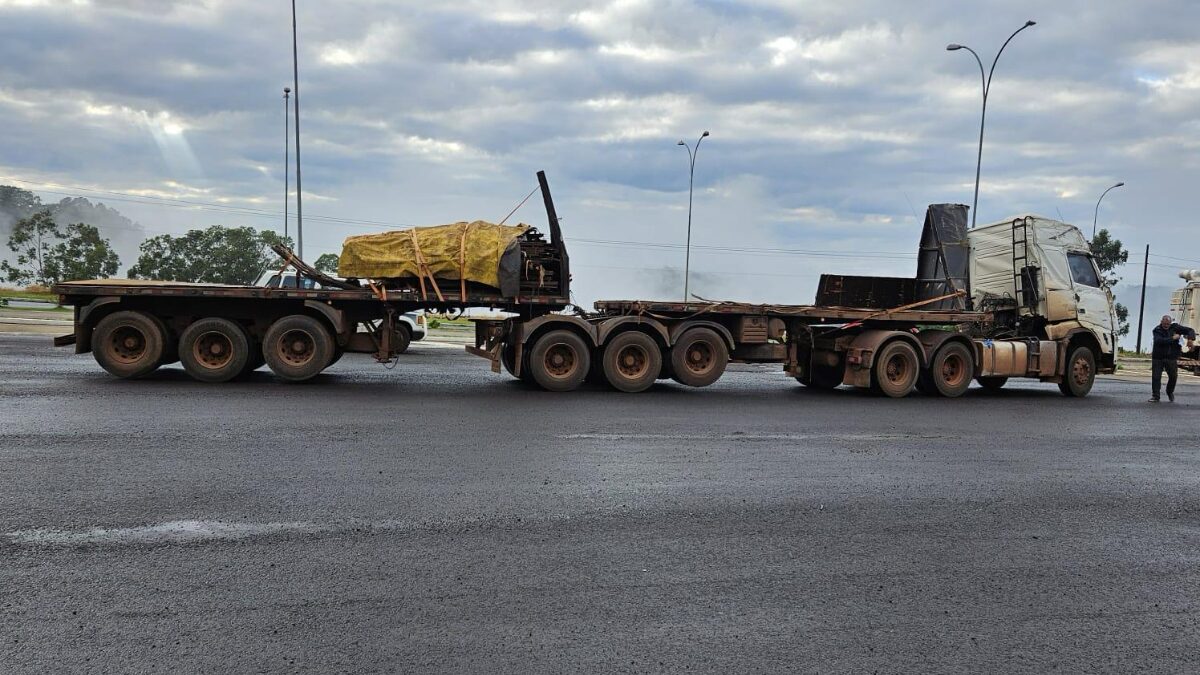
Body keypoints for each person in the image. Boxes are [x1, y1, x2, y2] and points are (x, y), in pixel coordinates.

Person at [1150, 314, 1196, 402]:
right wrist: (1173, 338)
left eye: (1168, 324)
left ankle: (1169, 391)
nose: (1166, 326)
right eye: (1164, 324)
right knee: (1156, 377)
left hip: (1171, 358)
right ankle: (1156, 396)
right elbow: (1159, 341)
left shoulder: (1175, 327)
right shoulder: (1157, 330)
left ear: (1170, 323)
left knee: (1173, 377)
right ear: (1161, 322)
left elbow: (1190, 330)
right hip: (1158, 357)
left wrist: (1190, 339)